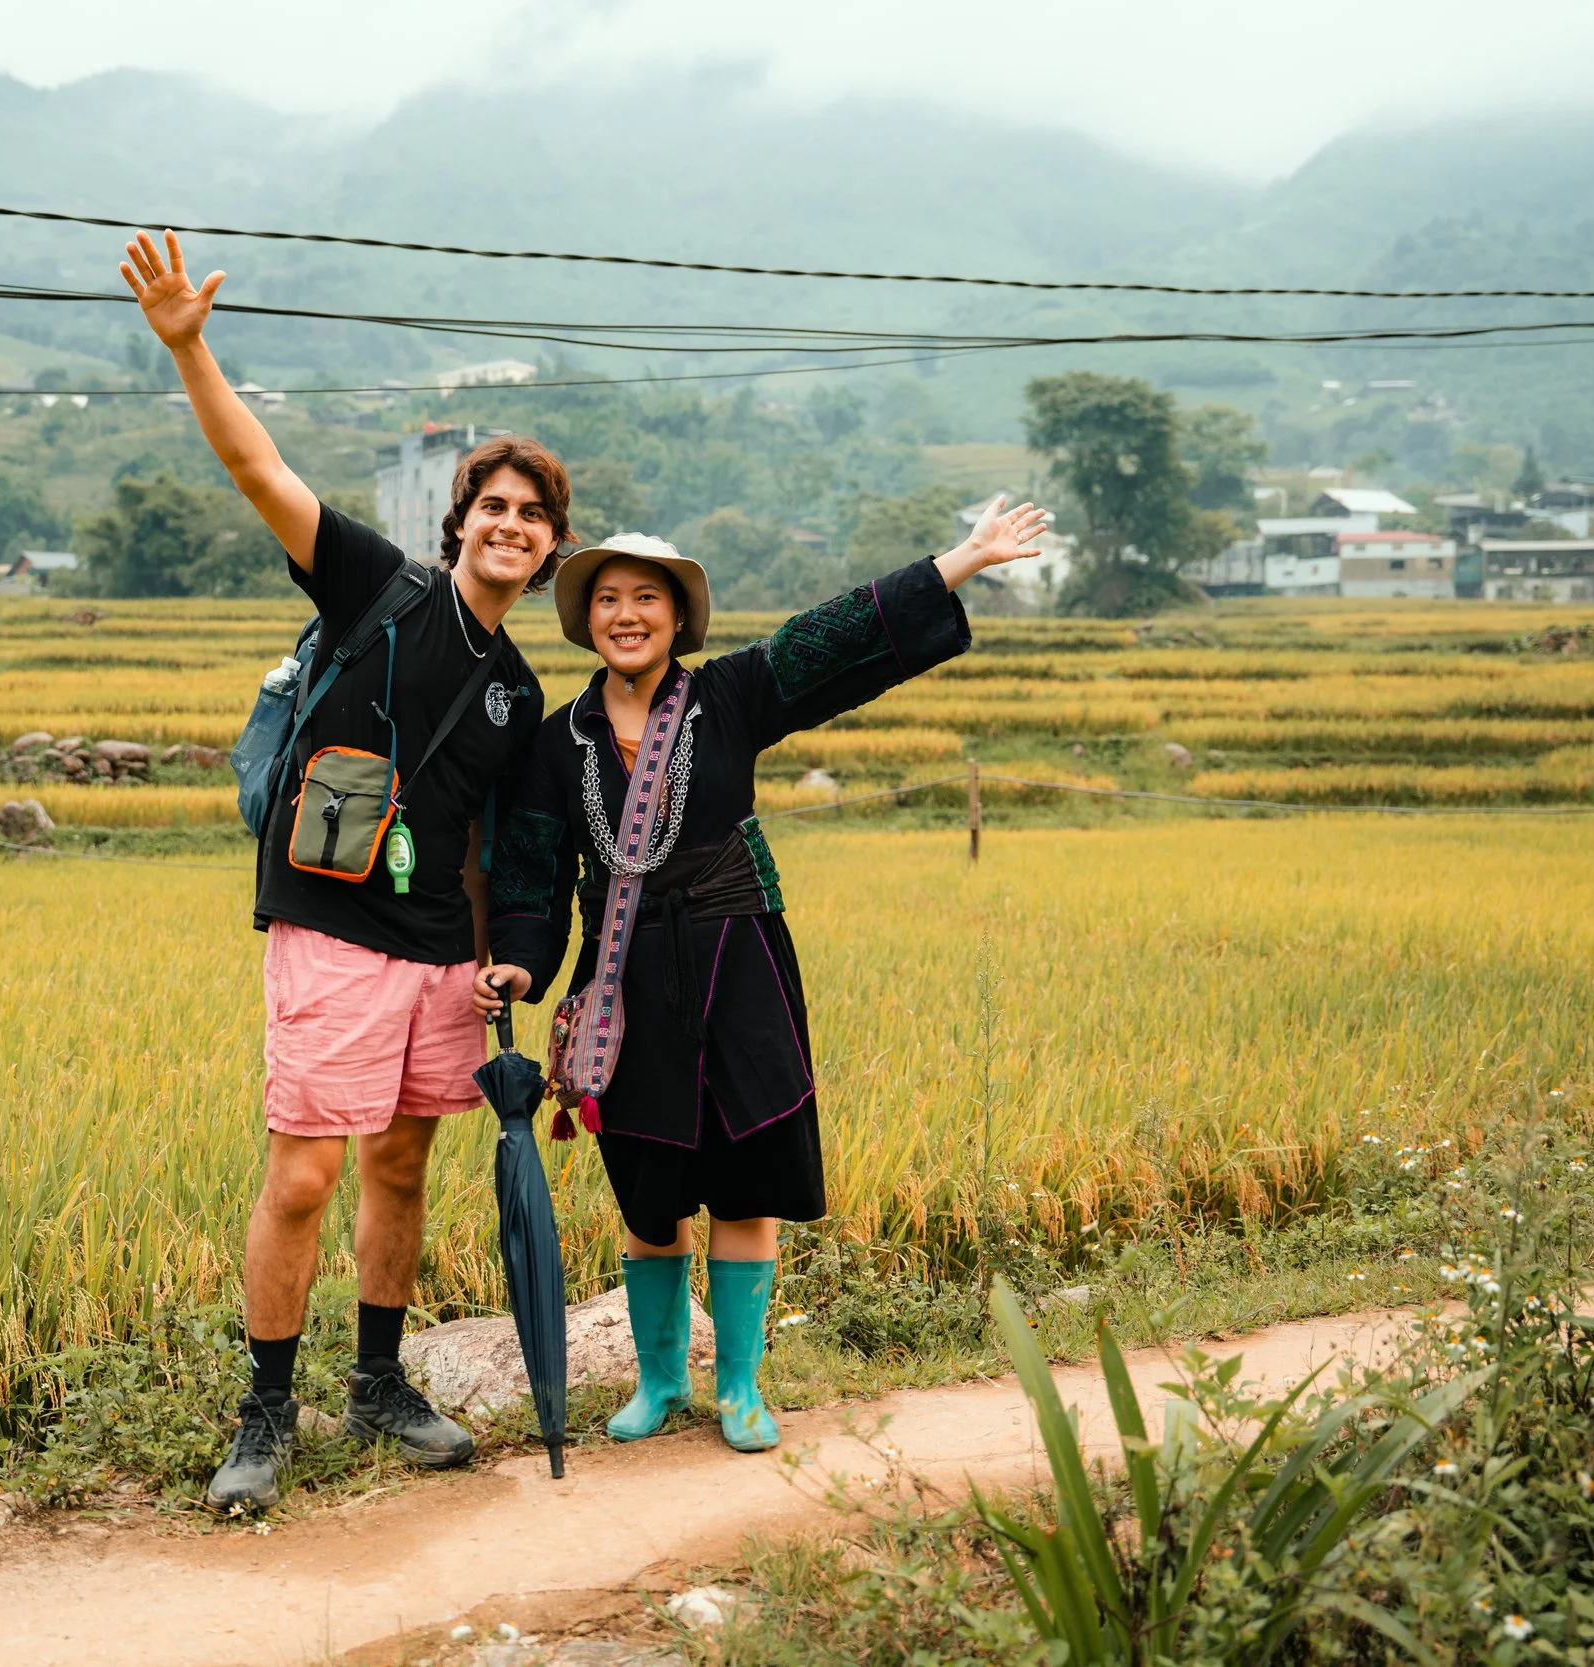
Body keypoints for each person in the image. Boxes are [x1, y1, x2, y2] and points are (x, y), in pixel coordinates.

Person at [121, 229, 563, 1513]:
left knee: (405, 1164)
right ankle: (267, 1406)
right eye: (495, 508)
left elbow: (481, 840)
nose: (512, 528)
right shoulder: (379, 585)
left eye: (534, 519)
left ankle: (377, 1382)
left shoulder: (520, 688)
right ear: (461, 523)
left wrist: (494, 965)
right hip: (326, 917)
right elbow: (257, 467)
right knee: (306, 1169)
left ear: (548, 551)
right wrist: (190, 346)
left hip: (437, 948)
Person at [472, 497, 1049, 1451]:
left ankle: (738, 1387)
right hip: (621, 982)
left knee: (747, 1185)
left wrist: (963, 560)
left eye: (647, 598)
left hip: (740, 965)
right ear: (585, 620)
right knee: (651, 1193)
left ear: (678, 617)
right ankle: (659, 1385)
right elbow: (529, 873)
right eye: (608, 598)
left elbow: (830, 637)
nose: (627, 613)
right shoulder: (553, 743)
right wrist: (524, 970)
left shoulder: (732, 693)